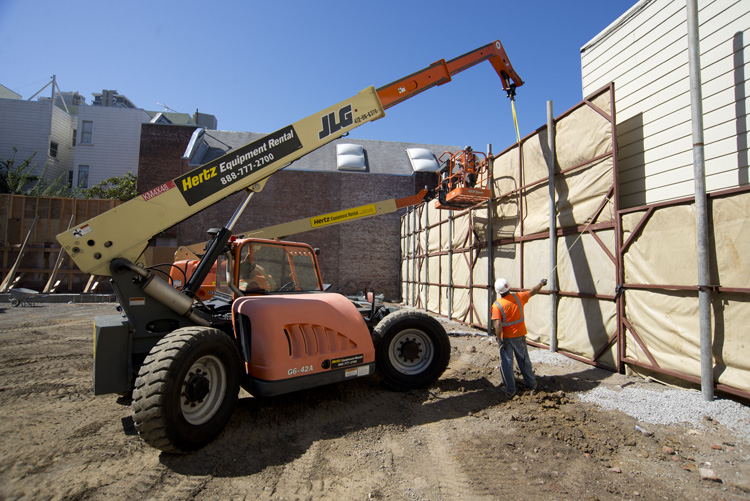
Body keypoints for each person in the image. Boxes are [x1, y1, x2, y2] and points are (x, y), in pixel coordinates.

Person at [492, 277, 547, 397]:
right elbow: (533, 291)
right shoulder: (518, 297)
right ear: (508, 287)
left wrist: (499, 339)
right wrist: (541, 283)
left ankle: (510, 389)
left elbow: (498, 324)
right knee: (524, 361)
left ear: (498, 292)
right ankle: (532, 384)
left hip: (506, 338)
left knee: (507, 363)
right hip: (520, 336)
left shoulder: (497, 305)